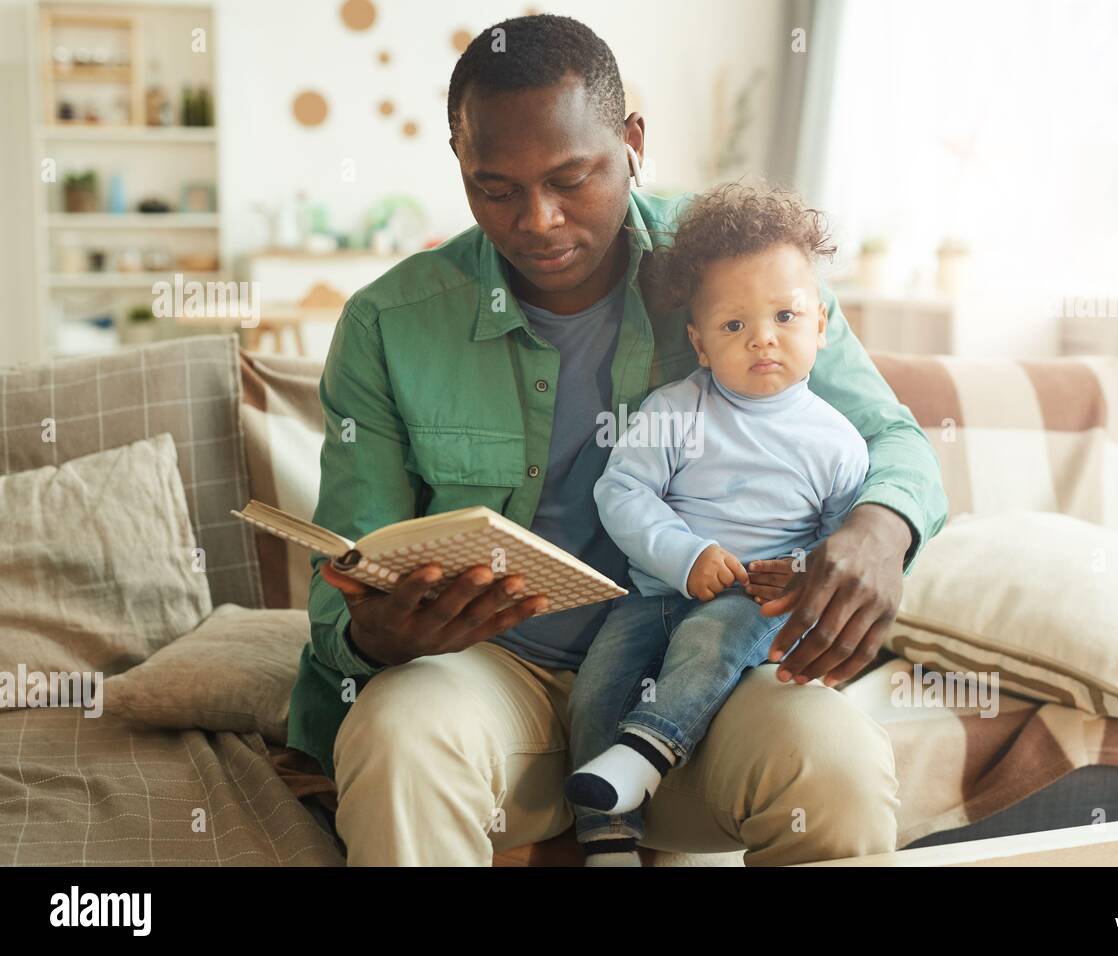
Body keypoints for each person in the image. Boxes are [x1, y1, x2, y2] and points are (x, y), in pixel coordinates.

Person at [288, 13, 949, 866]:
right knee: (399, 732)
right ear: (460, 165)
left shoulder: (738, 265)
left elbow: (894, 440)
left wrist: (880, 529)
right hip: (491, 677)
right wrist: (384, 633)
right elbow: (343, 582)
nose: (539, 220)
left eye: (573, 177)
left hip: (695, 675)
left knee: (839, 763)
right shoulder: (390, 324)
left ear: (633, 142)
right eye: (495, 187)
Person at [566, 183, 875, 867]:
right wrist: (688, 553)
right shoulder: (676, 409)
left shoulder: (838, 444)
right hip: (654, 592)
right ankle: (607, 838)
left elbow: (839, 544)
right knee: (596, 691)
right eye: (733, 326)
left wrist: (796, 577)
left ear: (820, 327)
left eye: (785, 317)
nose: (762, 336)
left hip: (749, 604)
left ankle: (645, 754)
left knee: (711, 638)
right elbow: (623, 490)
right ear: (700, 345)